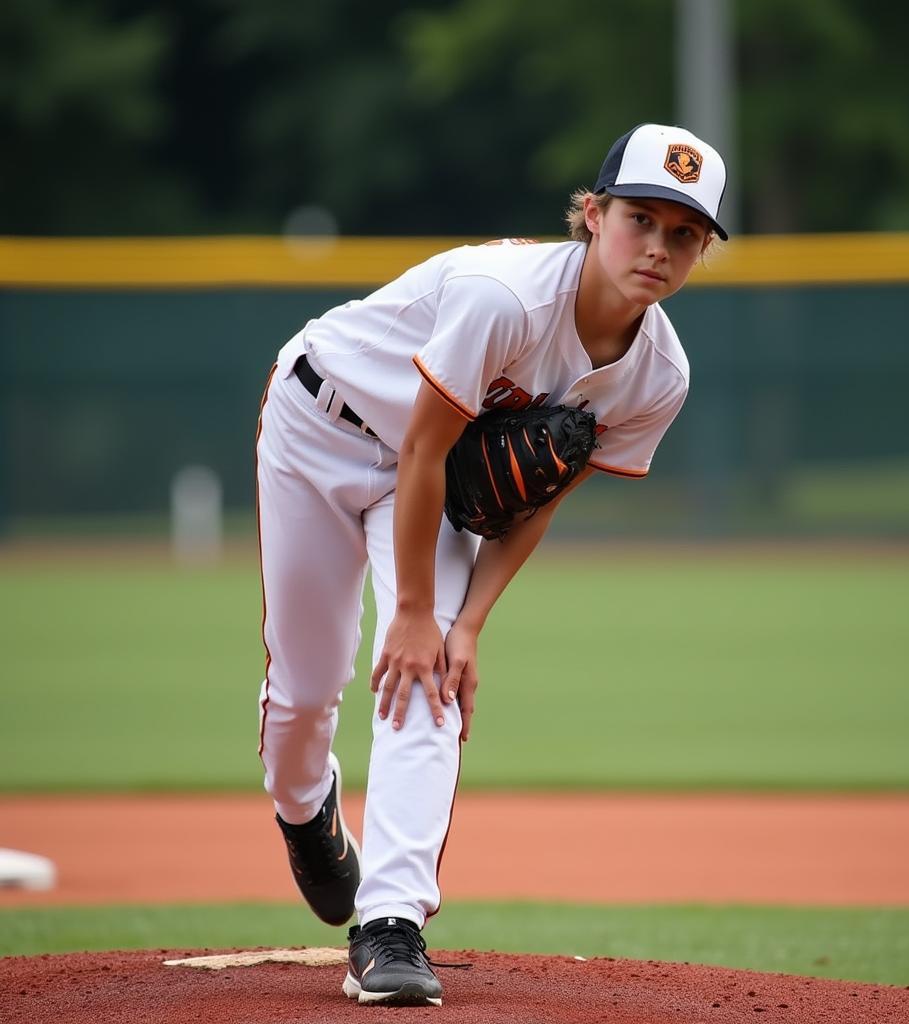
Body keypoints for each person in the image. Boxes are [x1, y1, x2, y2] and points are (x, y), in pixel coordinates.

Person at [254, 122, 729, 1007]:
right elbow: (427, 446)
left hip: (423, 482)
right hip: (322, 423)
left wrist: (461, 623)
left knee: (429, 675)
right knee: (304, 696)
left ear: (703, 248)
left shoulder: (658, 373)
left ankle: (390, 924)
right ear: (592, 214)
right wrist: (407, 616)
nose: (658, 248)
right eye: (640, 219)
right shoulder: (503, 298)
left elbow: (543, 492)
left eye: (685, 233)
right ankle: (305, 807)